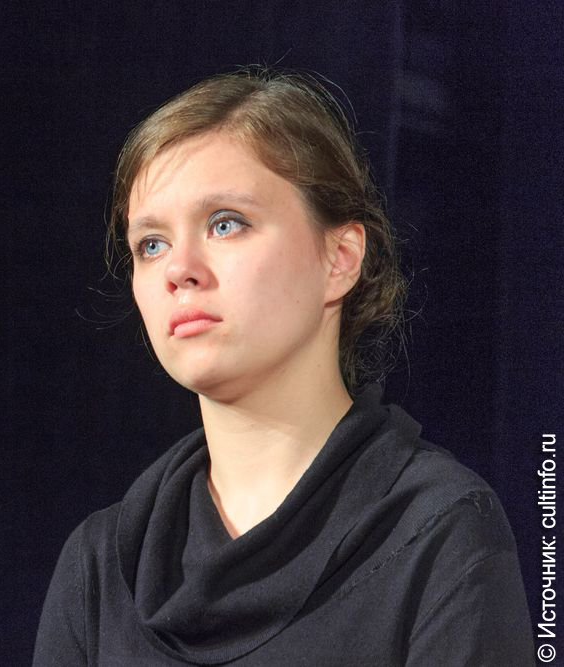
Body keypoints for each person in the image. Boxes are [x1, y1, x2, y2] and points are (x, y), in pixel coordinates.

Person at [33, 69, 534, 665]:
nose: (178, 269)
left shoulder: (441, 534)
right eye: (152, 244)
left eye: (225, 223)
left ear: (339, 258)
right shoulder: (100, 568)